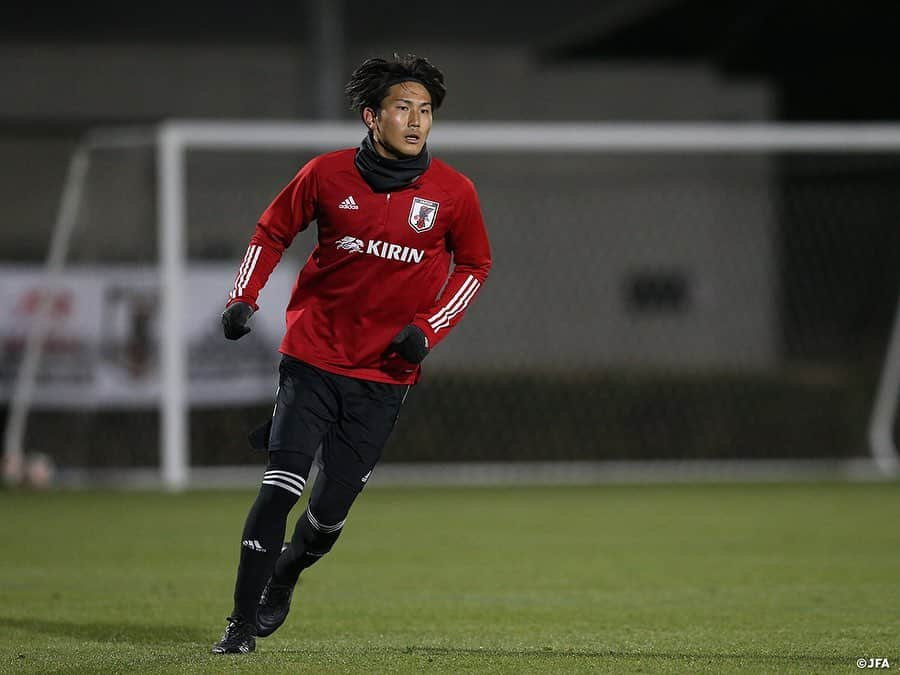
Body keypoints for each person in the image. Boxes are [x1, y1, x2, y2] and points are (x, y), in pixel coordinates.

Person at [211, 53, 492, 654]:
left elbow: (475, 265)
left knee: (326, 518)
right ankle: (238, 625)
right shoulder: (326, 174)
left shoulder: (454, 193)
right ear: (372, 117)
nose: (416, 121)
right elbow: (271, 232)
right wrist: (243, 298)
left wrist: (428, 327)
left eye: (424, 111)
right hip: (312, 358)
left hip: (386, 375)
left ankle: (287, 571)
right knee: (279, 487)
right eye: (402, 108)